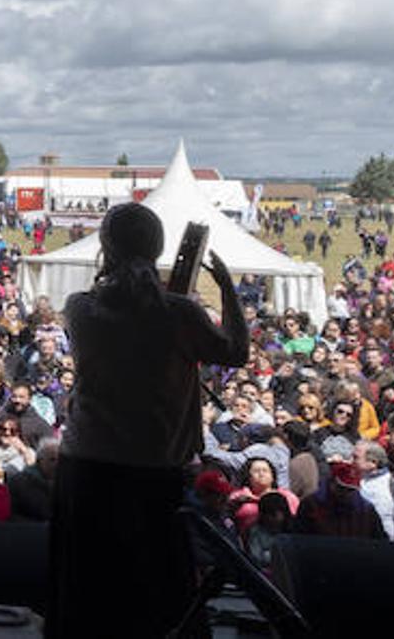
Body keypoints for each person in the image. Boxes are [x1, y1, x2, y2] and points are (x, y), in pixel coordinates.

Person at [47, 204, 249, 639]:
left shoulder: (79, 309)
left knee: (85, 593)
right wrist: (228, 291)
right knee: (160, 599)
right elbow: (236, 351)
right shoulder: (181, 313)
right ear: (157, 248)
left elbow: (131, 318)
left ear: (105, 248)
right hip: (155, 474)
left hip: (86, 469)